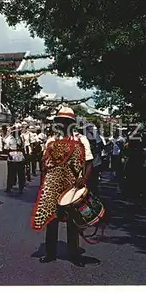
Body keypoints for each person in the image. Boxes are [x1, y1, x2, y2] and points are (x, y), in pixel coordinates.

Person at [32, 107, 93, 267]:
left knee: (73, 221)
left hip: (73, 185)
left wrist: (84, 179)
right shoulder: (51, 140)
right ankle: (50, 253)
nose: (63, 124)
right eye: (61, 121)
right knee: (52, 220)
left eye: (67, 121)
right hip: (54, 185)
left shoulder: (81, 140)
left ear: (72, 123)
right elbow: (45, 162)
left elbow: (89, 161)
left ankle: (74, 254)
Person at [4, 124, 26, 194]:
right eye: (16, 131)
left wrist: (25, 157)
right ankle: (9, 187)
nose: (18, 133)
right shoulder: (8, 139)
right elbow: (6, 149)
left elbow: (23, 148)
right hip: (12, 157)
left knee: (21, 174)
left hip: (20, 157)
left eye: (18, 131)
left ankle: (21, 188)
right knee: (10, 174)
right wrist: (9, 155)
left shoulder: (21, 138)